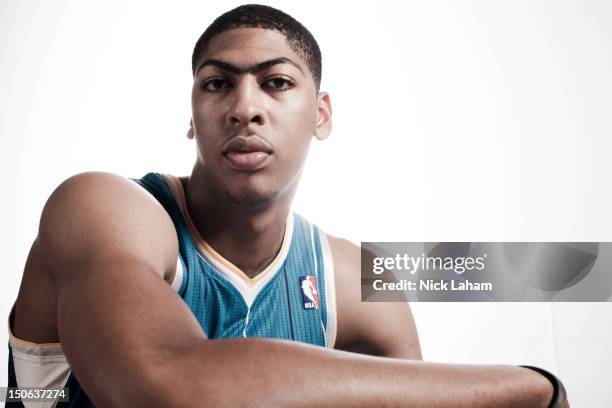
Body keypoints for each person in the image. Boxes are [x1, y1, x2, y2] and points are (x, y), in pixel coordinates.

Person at [7, 4, 568, 407]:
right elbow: (166, 388)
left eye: (275, 82)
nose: (244, 108)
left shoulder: (356, 281)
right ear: (191, 115)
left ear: (321, 114)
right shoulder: (103, 210)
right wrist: (532, 387)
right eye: (217, 85)